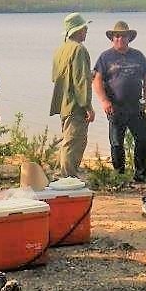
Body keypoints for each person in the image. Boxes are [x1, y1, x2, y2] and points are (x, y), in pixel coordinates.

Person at [92, 20, 146, 183]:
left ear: (129, 38)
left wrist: (145, 99)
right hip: (115, 108)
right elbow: (97, 81)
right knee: (116, 143)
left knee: (142, 139)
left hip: (136, 107)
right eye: (117, 36)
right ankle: (119, 175)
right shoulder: (105, 57)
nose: (120, 39)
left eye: (123, 36)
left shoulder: (138, 55)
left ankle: (141, 174)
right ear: (112, 38)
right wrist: (104, 101)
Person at [50, 13, 95, 178]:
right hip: (75, 105)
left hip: (63, 103)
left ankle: (64, 175)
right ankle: (68, 178)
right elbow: (80, 80)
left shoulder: (60, 50)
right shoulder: (79, 49)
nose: (86, 31)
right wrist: (88, 106)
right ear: (78, 30)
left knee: (68, 139)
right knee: (75, 140)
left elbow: (56, 76)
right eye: (84, 28)